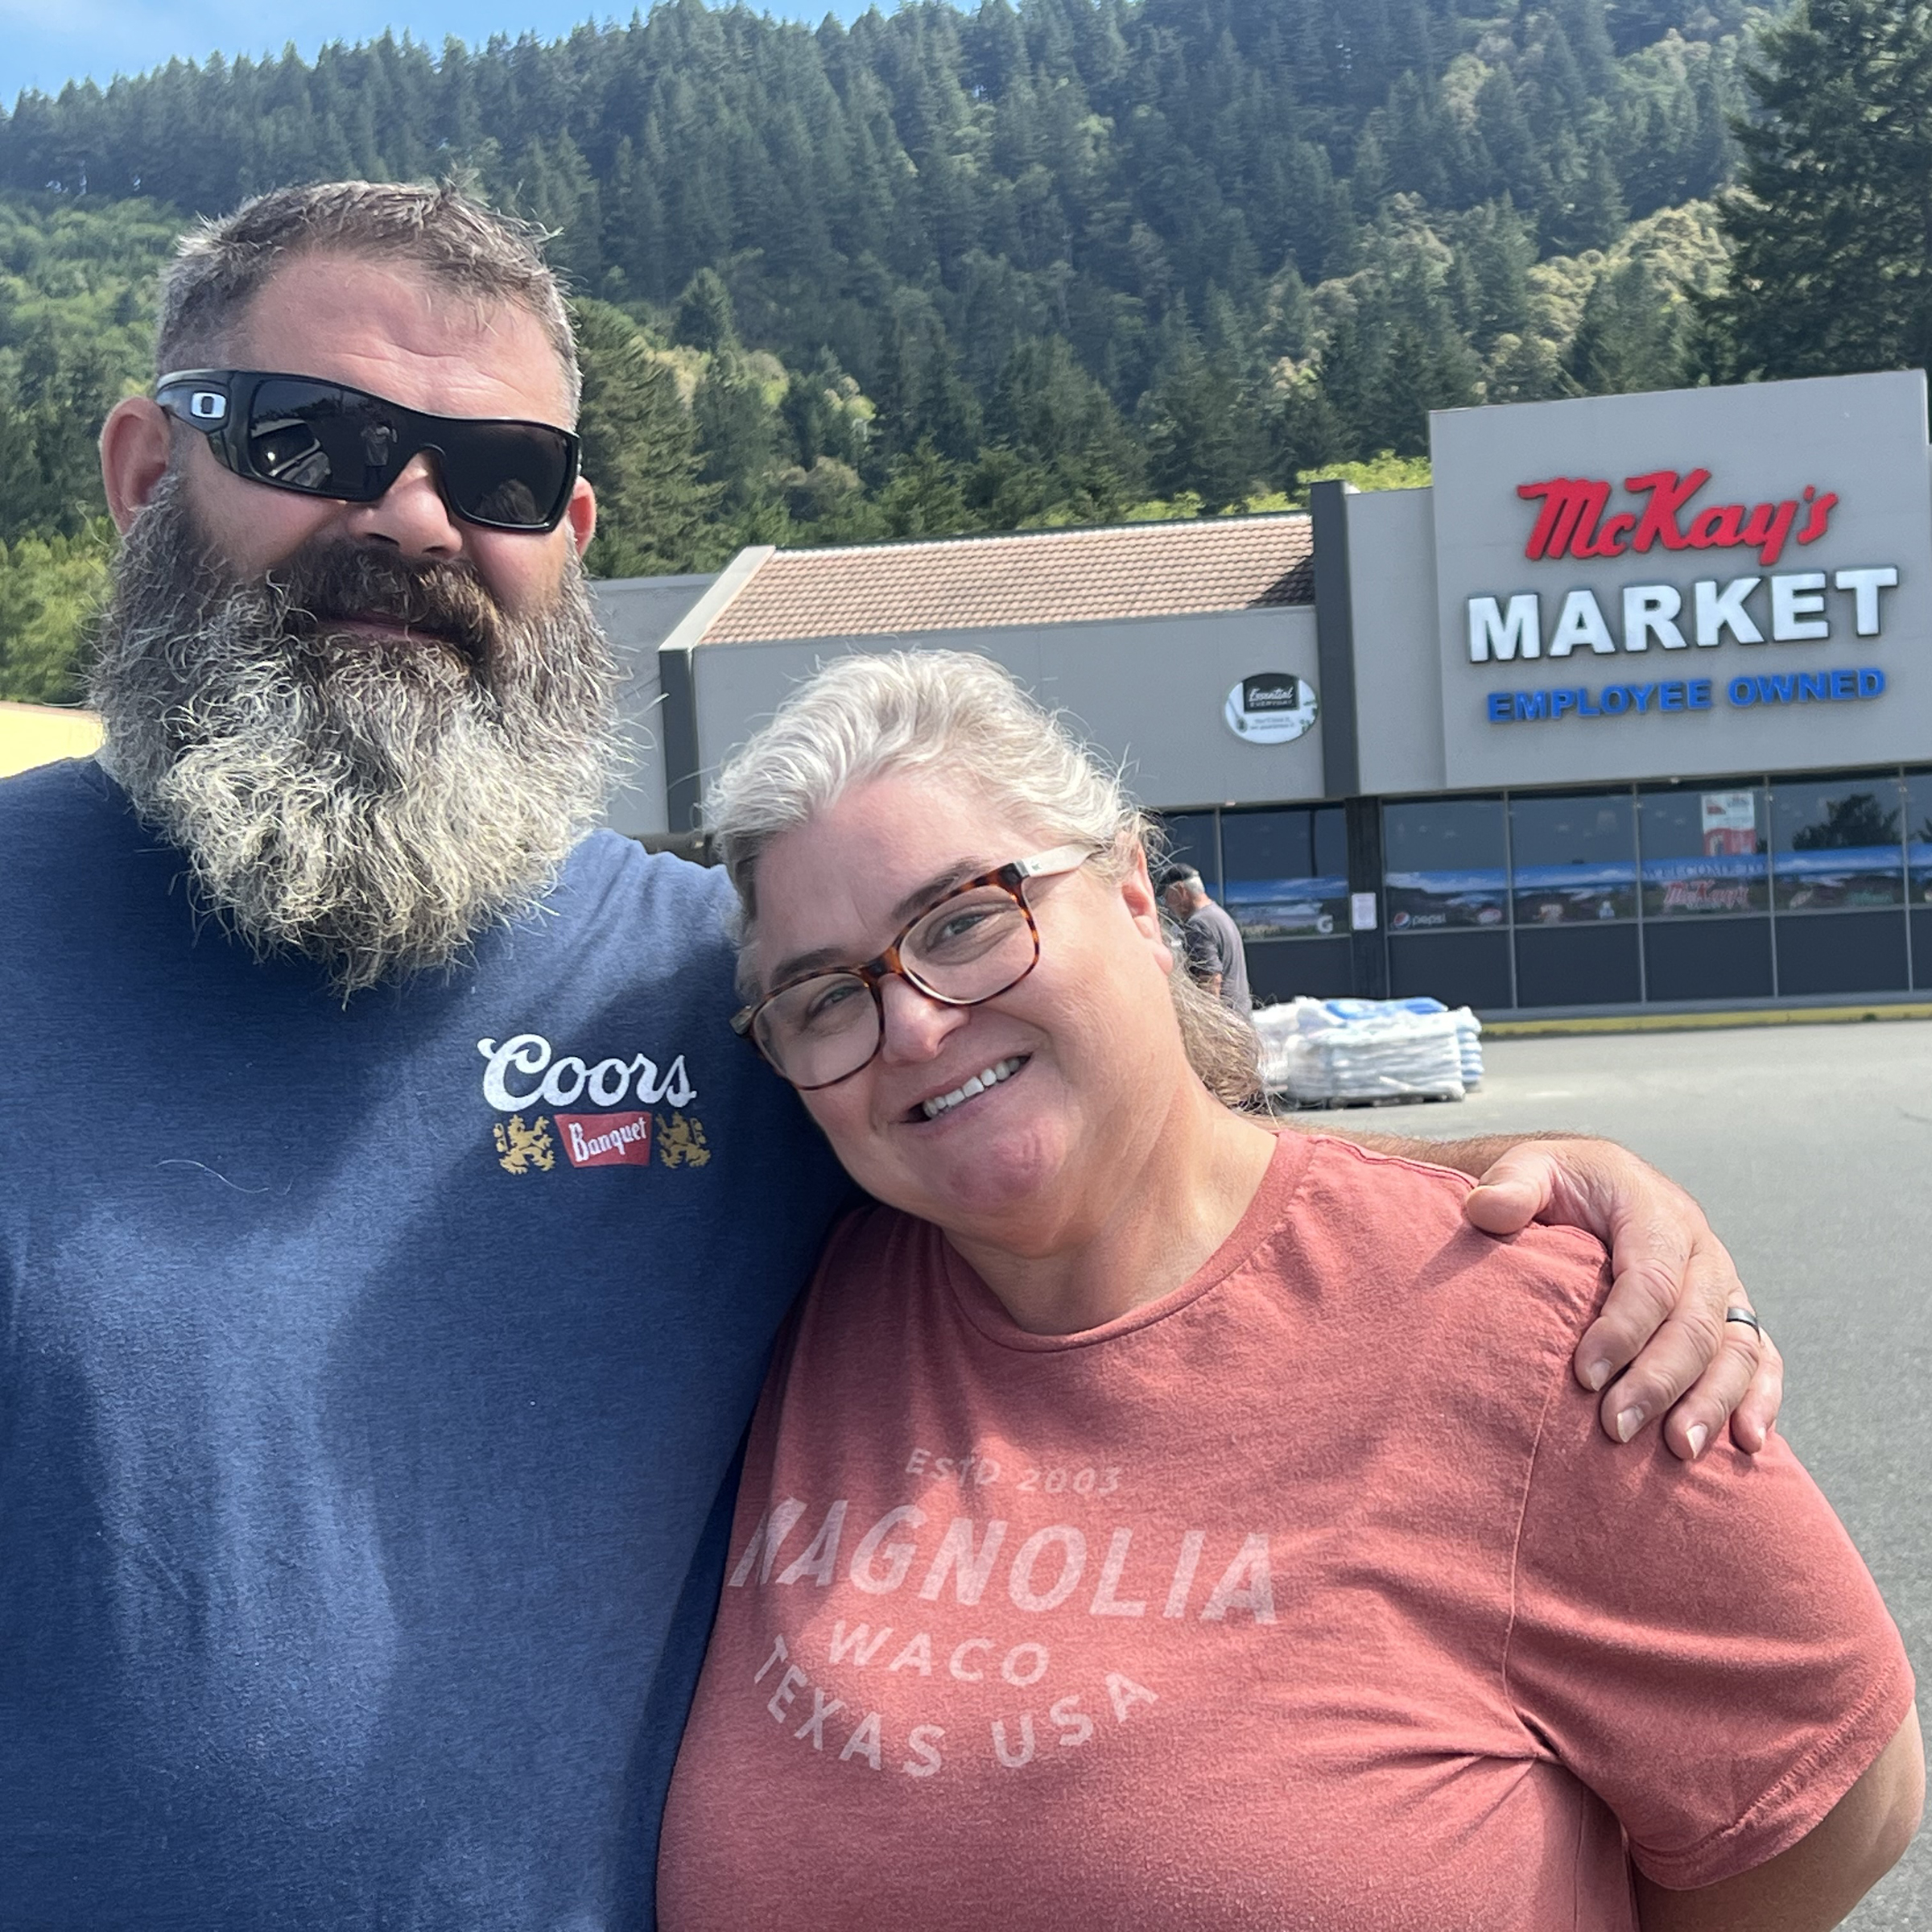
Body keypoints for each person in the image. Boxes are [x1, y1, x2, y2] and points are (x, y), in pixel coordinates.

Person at [0, 180, 1781, 1929]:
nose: (413, 516)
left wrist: (1523, 1198)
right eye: (311, 438)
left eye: (499, 475)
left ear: (573, 535)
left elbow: (1117, 1167)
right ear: (147, 470)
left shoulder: (726, 995)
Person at [658, 650, 1921, 1932]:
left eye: (964, 921)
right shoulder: (789, 1307)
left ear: (1135, 897)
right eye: (825, 996)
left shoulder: (1526, 1325)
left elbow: (1835, 1801)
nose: (917, 1025)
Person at [1158, 861, 1252, 1013]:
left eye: (1167, 896)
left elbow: (1210, 980)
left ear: (1181, 891)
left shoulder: (1198, 925)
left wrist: (1206, 1019)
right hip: (1240, 1016)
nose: (1167, 904)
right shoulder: (1218, 915)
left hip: (1223, 1020)